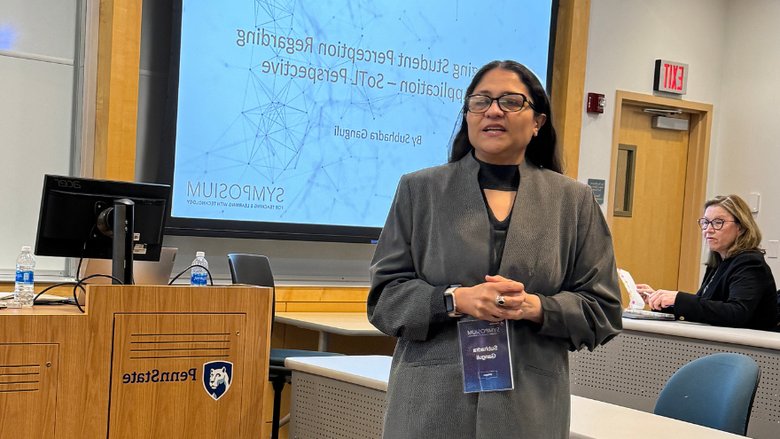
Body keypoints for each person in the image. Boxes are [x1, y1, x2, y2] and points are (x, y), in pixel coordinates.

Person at [367, 60, 622, 439]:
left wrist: (534, 307)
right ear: (468, 115)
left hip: (529, 408)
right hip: (431, 405)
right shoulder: (420, 191)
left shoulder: (573, 201)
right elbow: (385, 299)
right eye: (480, 101)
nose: (493, 110)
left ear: (538, 121)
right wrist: (456, 300)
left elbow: (603, 310)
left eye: (511, 101)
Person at [637, 195, 778, 330]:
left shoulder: (750, 263)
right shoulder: (718, 263)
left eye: (718, 223)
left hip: (752, 348)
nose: (708, 230)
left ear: (741, 227)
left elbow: (736, 313)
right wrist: (662, 301)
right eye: (705, 223)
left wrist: (678, 298)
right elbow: (705, 308)